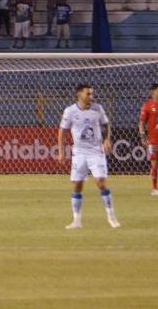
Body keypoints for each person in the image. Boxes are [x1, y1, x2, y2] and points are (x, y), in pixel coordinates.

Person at [58, 84, 121, 229]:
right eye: (88, 94)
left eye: (92, 94)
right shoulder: (70, 111)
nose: (91, 97)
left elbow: (106, 125)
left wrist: (107, 139)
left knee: (101, 183)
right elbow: (62, 131)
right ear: (79, 94)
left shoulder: (98, 108)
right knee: (77, 186)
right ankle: (77, 221)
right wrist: (61, 151)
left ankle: (111, 217)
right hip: (79, 153)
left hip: (96, 152)